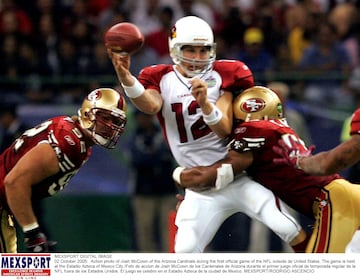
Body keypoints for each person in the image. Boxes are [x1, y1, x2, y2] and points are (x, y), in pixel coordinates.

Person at [109, 16, 308, 253]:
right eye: (190, 49)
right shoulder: (160, 77)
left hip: (239, 177)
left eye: (203, 50)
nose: (197, 56)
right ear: (174, 49)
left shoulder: (227, 73)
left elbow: (224, 127)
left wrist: (204, 103)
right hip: (199, 189)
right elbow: (150, 105)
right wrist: (126, 78)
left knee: (285, 225)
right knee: (185, 251)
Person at [174, 86, 360, 252]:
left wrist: (180, 176)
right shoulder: (278, 129)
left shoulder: (252, 129)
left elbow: (224, 173)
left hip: (332, 200)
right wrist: (195, 198)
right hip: (345, 195)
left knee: (320, 269)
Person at [0, 88, 127, 253]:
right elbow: (14, 182)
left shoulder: (77, 141)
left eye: (116, 122)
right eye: (105, 118)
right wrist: (33, 235)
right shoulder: (68, 141)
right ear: (88, 114)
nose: (110, 127)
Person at [129, 111, 177, 252]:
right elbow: (136, 159)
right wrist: (156, 157)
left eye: (147, 116)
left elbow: (170, 154)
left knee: (168, 227)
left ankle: (170, 259)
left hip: (166, 188)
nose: (144, 119)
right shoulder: (134, 138)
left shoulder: (164, 135)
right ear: (137, 119)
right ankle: (148, 261)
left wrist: (151, 158)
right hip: (143, 190)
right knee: (144, 228)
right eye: (141, 116)